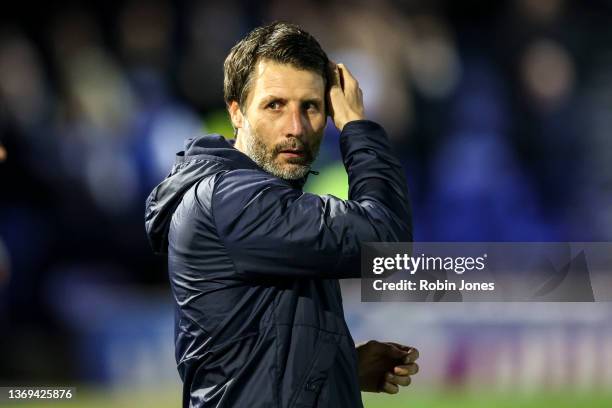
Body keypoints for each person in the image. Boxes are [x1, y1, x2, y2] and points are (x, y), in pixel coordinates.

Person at [145, 22, 418, 407]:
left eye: (311, 107)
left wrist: (341, 367)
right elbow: (386, 246)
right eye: (275, 105)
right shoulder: (233, 199)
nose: (295, 128)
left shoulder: (264, 204)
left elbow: (254, 351)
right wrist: (357, 125)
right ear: (236, 112)